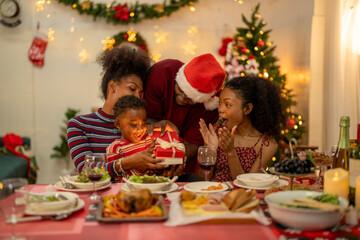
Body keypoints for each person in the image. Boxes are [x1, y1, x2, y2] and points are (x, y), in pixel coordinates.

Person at [67, 46, 168, 178]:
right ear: (113, 86)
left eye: (140, 93)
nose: (137, 97)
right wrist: (128, 163)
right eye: (132, 89)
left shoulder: (142, 127)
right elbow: (86, 170)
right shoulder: (79, 125)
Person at [144, 53, 226, 174]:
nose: (182, 99)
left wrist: (169, 160)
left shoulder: (210, 107)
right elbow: (147, 119)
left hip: (182, 163)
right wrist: (160, 124)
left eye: (190, 99)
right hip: (146, 152)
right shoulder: (161, 73)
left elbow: (192, 143)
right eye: (180, 90)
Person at [199, 76, 285, 182]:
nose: (220, 109)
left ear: (247, 108)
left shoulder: (266, 144)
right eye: (220, 103)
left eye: (228, 104)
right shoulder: (217, 132)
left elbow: (249, 185)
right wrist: (210, 149)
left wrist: (231, 152)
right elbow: (202, 180)